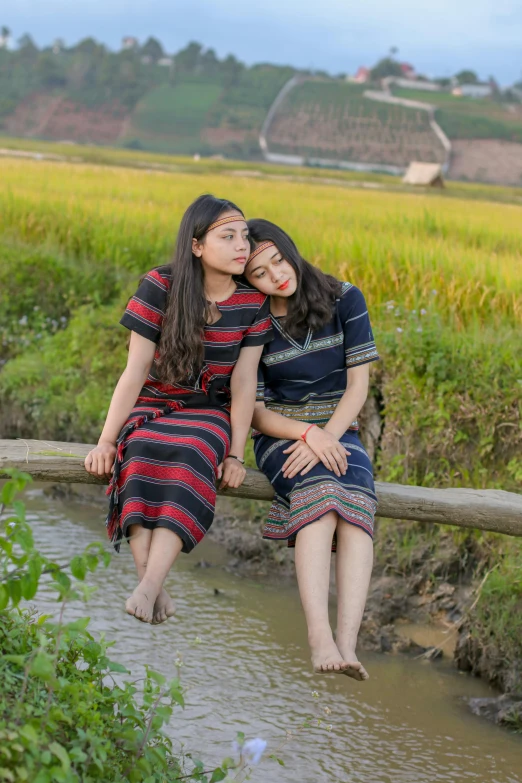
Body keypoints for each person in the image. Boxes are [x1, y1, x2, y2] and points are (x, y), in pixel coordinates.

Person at [84, 195, 272, 624]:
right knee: (141, 449)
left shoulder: (252, 304)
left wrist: (236, 455)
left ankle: (148, 587)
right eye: (228, 236)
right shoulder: (160, 285)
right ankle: (154, 587)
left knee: (190, 451)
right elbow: (134, 372)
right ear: (197, 245)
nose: (242, 245)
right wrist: (106, 441)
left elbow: (244, 384)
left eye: (244, 235)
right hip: (153, 402)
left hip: (208, 411)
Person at [244, 219, 379, 679]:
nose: (276, 275)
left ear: (289, 249)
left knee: (358, 508)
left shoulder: (345, 298)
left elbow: (358, 386)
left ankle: (348, 644)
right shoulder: (256, 321)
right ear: (248, 280)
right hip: (281, 434)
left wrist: (328, 434)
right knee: (320, 503)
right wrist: (306, 435)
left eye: (278, 259)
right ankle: (319, 636)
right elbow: (256, 413)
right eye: (260, 273)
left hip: (341, 428)